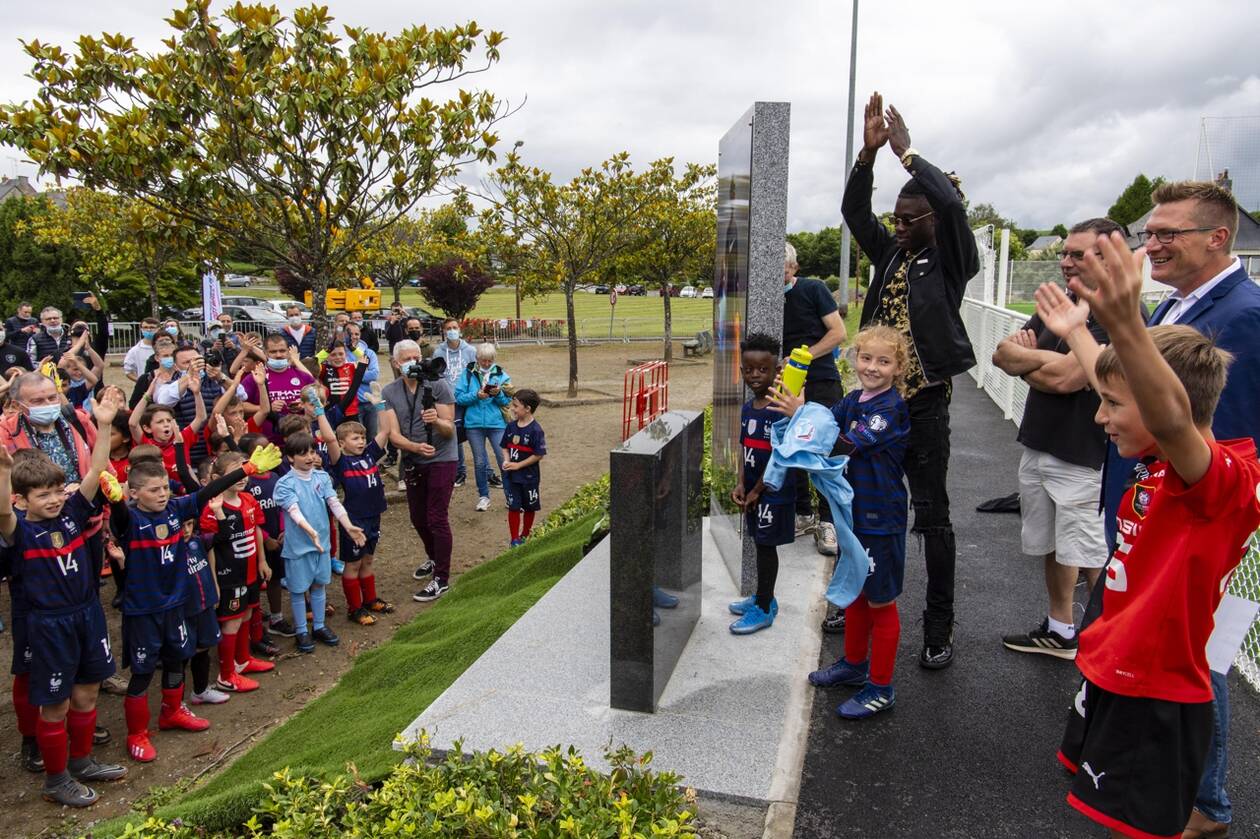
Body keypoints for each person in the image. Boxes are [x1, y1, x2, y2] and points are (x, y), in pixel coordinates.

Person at [1034, 230, 1260, 839]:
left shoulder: (1219, 480)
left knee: (1137, 826)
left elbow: (1166, 412)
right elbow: (1131, 394)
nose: (1100, 416)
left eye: (1112, 406)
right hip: (1116, 663)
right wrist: (1084, 333)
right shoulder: (1158, 452)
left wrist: (1128, 325)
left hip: (1156, 690)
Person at [1130, 181, 1260, 839]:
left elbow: (1225, 444)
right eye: (1149, 234)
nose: (1151, 245)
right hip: (1159, 509)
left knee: (1201, 660)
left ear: (1217, 238)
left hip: (1206, 528)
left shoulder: (1242, 316)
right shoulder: (1179, 301)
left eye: (1166, 234)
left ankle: (1207, 803)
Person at [840, 91, 978, 669]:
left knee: (932, 514)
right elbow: (854, 213)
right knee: (867, 503)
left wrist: (907, 153)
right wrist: (868, 157)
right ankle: (861, 594)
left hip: (922, 406)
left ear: (932, 222)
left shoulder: (951, 258)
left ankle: (938, 623)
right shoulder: (892, 254)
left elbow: (948, 205)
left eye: (907, 219)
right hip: (879, 404)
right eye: (894, 218)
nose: (896, 227)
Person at [993, 219, 1121, 659]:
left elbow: (1068, 378)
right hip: (1041, 443)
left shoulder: (1116, 311)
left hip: (1083, 454)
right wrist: (1044, 362)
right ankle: (1060, 629)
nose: (1065, 260)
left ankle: (1111, 645)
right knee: (1053, 545)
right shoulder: (1063, 301)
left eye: (1077, 254)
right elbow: (1000, 353)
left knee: (1089, 551)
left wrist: (1030, 361)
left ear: (1108, 256)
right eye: (1064, 252)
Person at [0, 388, 127, 807]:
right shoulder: (19, 531)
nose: (54, 499)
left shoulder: (72, 512)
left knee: (87, 693)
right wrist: (3, 473)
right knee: (53, 705)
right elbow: (3, 512)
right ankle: (56, 779)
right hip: (48, 625)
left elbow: (98, 469)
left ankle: (83, 760)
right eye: (43, 495)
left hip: (86, 614)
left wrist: (104, 424)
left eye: (58, 490)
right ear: (21, 500)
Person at [111, 445, 278, 762]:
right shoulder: (129, 519)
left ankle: (171, 712)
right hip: (144, 611)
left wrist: (246, 469)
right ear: (133, 492)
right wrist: (114, 500)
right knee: (143, 672)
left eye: (164, 487)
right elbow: (118, 515)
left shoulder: (175, 509)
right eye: (153, 490)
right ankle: (137, 733)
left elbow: (207, 491)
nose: (162, 494)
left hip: (177, 604)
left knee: (178, 660)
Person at [776, 327, 910, 720]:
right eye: (866, 358)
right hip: (853, 515)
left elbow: (842, 443)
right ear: (854, 359)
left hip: (880, 518)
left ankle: (881, 687)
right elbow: (823, 424)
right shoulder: (853, 400)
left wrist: (802, 419)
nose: (872, 367)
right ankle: (854, 664)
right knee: (856, 591)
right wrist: (800, 410)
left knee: (881, 601)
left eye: (884, 361)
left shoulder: (890, 410)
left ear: (897, 367)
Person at [781, 242, 848, 558]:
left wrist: (803, 357)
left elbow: (838, 333)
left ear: (793, 268)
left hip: (821, 380)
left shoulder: (813, 289)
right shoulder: (765, 299)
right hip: (787, 387)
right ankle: (802, 513)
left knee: (826, 451)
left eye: (782, 268)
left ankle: (828, 520)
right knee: (792, 448)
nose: (777, 274)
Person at [725, 333, 793, 635]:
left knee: (766, 548)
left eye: (762, 370)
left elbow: (779, 458)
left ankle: (764, 608)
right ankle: (764, 596)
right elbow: (745, 448)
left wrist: (756, 490)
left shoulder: (780, 410)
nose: (755, 375)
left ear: (776, 371)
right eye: (749, 370)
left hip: (772, 495)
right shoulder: (749, 407)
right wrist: (742, 484)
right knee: (758, 544)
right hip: (753, 492)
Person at [380, 339, 457, 602]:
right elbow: (392, 434)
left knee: (436, 517)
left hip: (443, 458)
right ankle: (434, 558)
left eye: (416, 357)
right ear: (396, 363)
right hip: (413, 460)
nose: (412, 362)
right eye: (405, 359)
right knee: (418, 518)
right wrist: (414, 446)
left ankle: (442, 578)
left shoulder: (438, 384)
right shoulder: (390, 391)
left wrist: (436, 421)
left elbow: (450, 428)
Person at [274, 432, 364, 652]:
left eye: (312, 452)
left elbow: (333, 503)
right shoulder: (285, 484)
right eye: (302, 453)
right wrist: (309, 531)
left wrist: (348, 525)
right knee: (297, 590)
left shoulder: (322, 477)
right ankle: (302, 631)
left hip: (322, 544)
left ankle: (320, 626)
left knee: (319, 585)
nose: (309, 457)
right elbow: (294, 511)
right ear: (290, 458)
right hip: (299, 547)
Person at [326, 418, 395, 624]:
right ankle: (354, 608)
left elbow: (386, 430)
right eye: (355, 438)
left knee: (368, 560)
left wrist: (380, 404)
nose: (361, 441)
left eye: (363, 437)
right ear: (341, 443)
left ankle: (370, 600)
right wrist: (322, 414)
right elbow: (329, 440)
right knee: (353, 563)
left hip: (374, 516)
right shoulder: (340, 462)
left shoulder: (369, 454)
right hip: (354, 520)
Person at [455, 343, 510, 512]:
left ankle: (510, 496)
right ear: (477, 359)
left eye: (490, 360)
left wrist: (498, 394)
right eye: (483, 360)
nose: (486, 363)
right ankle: (483, 496)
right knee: (479, 462)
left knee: (504, 460)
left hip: (496, 423)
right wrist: (476, 395)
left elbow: (508, 401)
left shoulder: (501, 374)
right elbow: (458, 397)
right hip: (474, 424)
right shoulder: (468, 374)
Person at [240, 334, 316, 443]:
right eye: (273, 352)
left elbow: (319, 400)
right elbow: (240, 406)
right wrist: (265, 408)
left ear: (288, 352)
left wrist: (304, 405)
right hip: (267, 442)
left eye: (282, 351)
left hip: (300, 442)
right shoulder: (254, 377)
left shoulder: (302, 376)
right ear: (265, 353)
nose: (278, 355)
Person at [499, 388, 546, 547]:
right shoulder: (511, 427)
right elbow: (504, 446)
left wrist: (518, 465)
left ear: (527, 409)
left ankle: (525, 534)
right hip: (512, 477)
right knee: (513, 506)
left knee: (529, 507)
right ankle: (514, 539)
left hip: (529, 478)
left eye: (516, 406)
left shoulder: (536, 430)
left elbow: (539, 454)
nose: (512, 408)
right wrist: (507, 460)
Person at [434, 319, 478, 486]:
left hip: (468, 397)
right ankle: (459, 471)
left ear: (459, 329)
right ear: (444, 331)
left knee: (475, 432)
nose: (452, 331)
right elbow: (436, 376)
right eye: (448, 328)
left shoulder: (470, 351)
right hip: (448, 400)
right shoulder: (439, 352)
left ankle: (486, 471)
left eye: (454, 327)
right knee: (454, 435)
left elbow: (476, 372)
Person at [123, 318, 161, 383]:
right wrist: (141, 382)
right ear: (141, 329)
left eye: (152, 327)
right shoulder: (134, 351)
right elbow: (128, 371)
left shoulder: (165, 347)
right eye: (145, 327)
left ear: (158, 329)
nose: (148, 330)